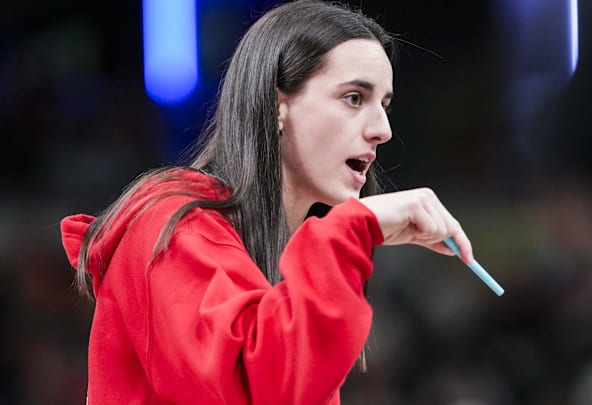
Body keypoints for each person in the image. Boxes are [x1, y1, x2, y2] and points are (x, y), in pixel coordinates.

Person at [60, 0, 475, 403]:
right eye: (354, 98)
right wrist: (352, 227)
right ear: (278, 105)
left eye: (384, 105)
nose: (382, 129)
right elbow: (263, 387)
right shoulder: (171, 221)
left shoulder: (284, 253)